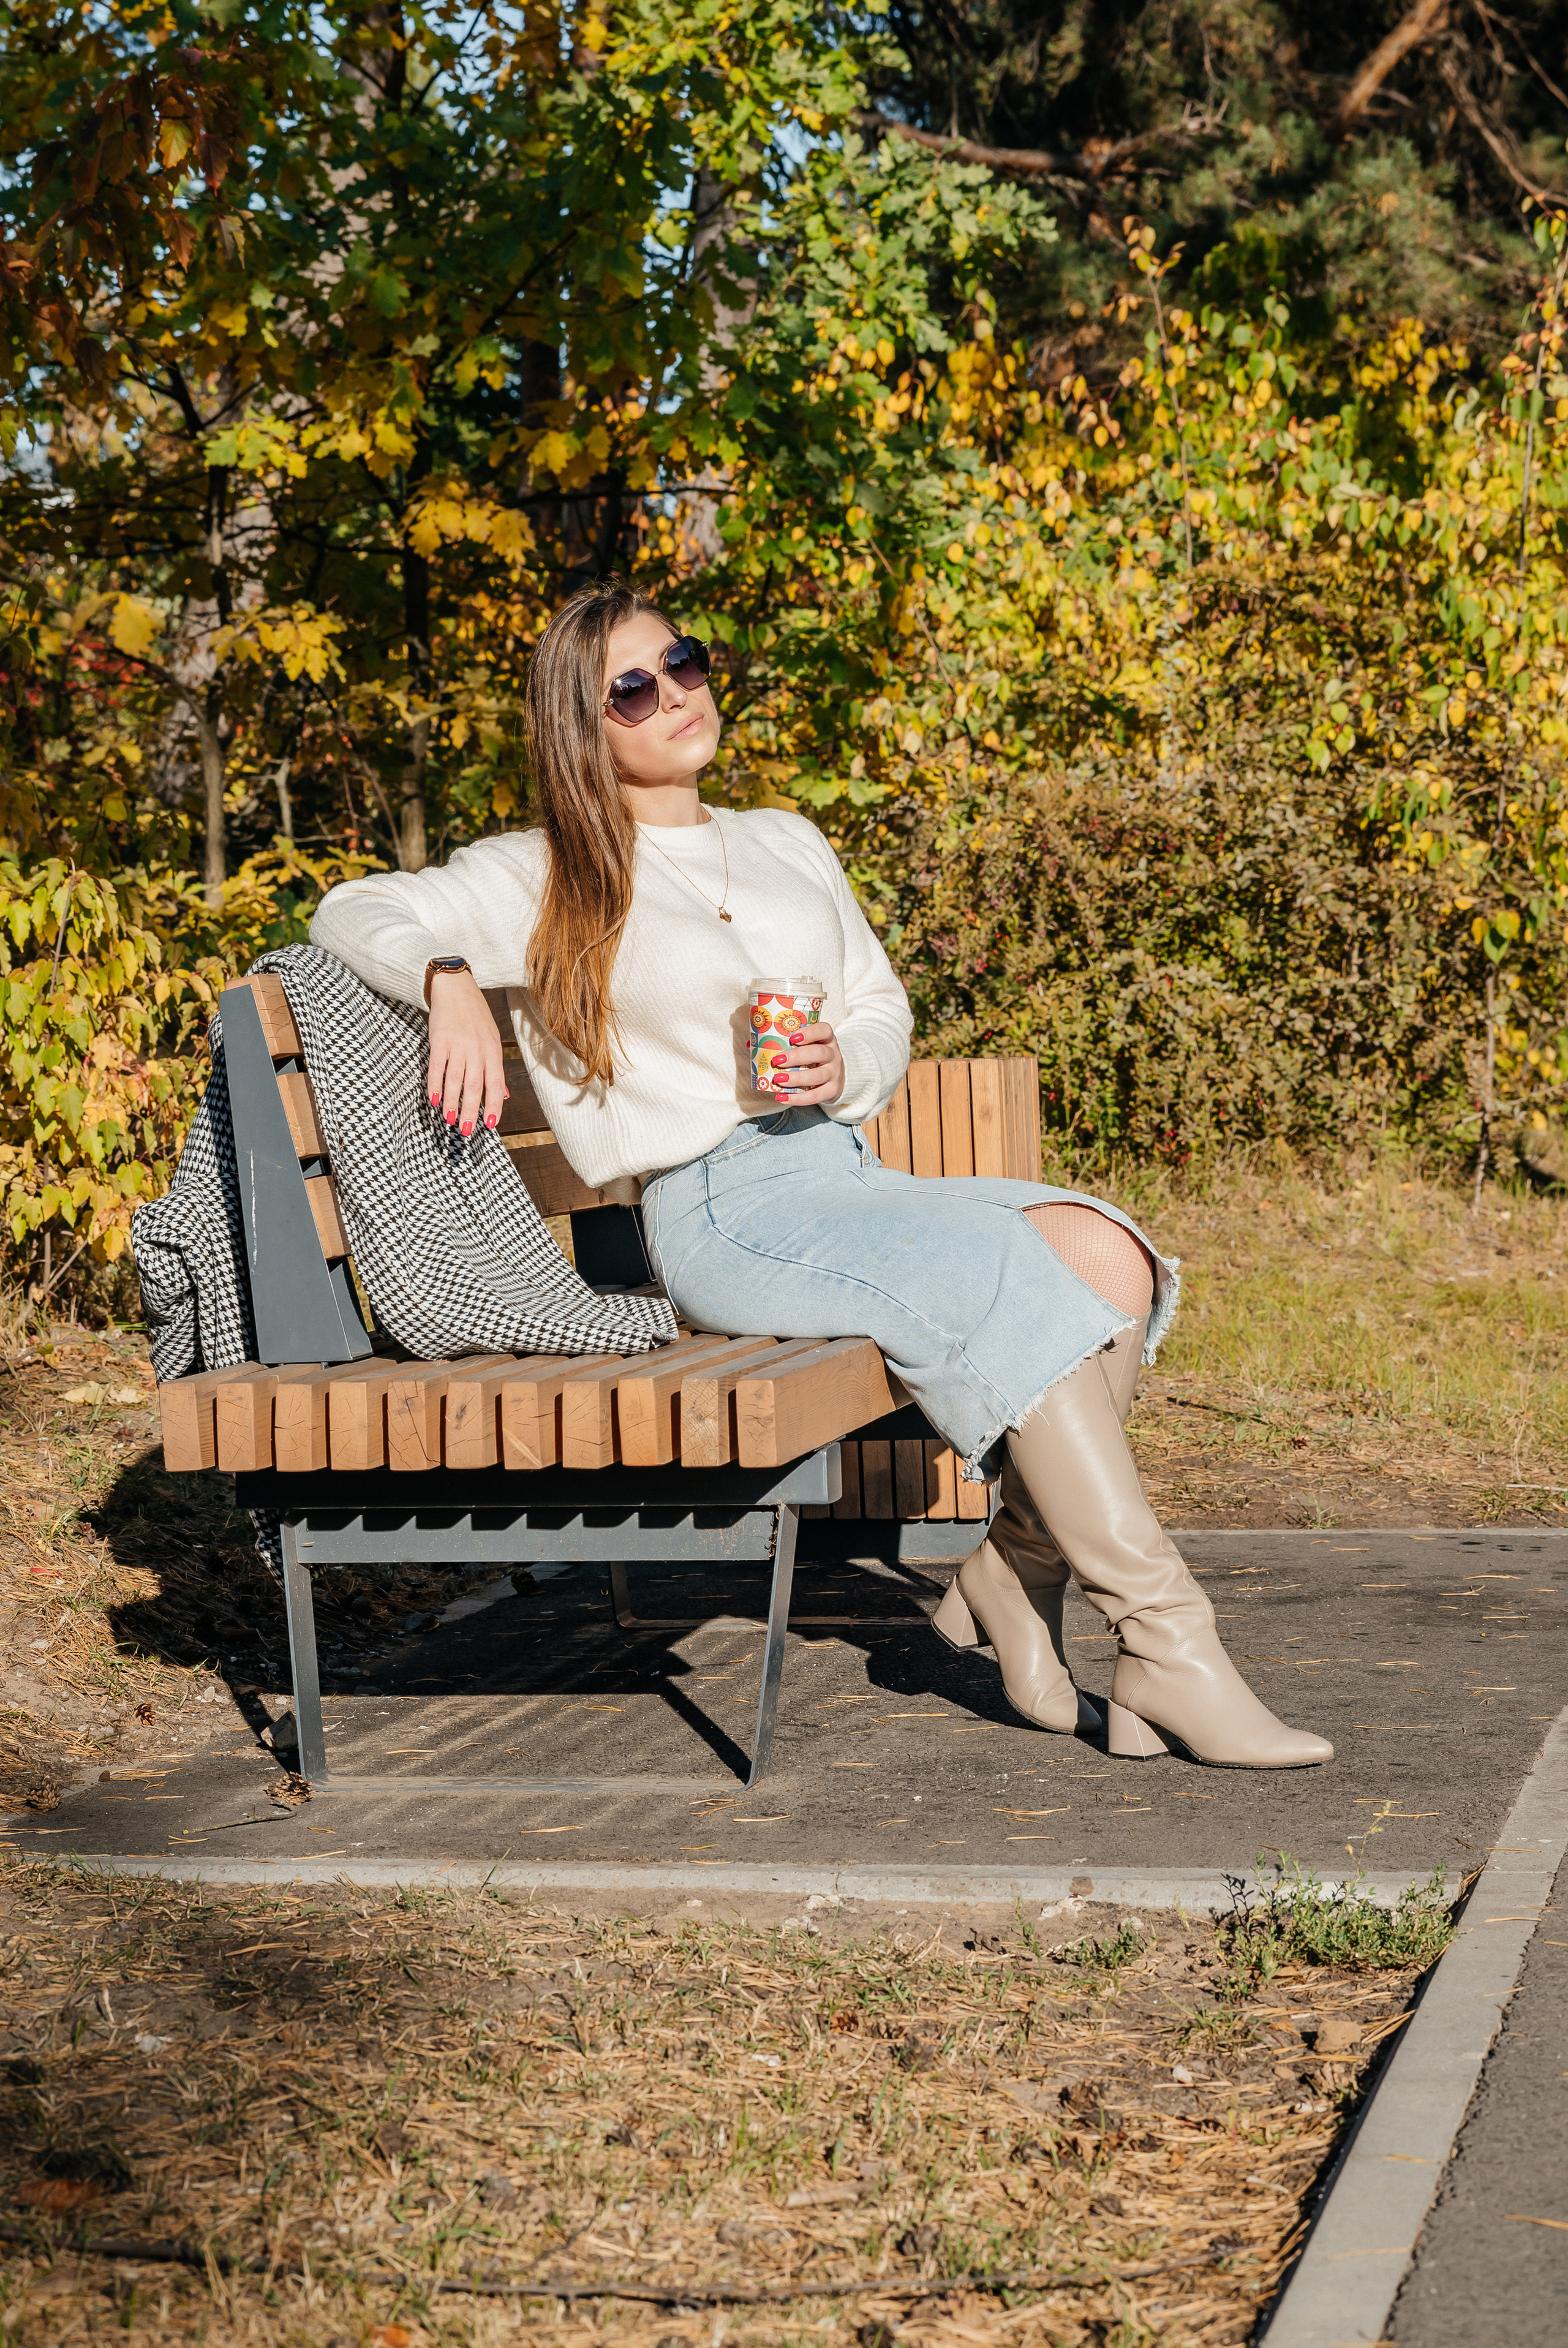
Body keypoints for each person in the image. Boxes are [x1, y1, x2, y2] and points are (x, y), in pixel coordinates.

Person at [310, 581, 1330, 1770]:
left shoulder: (786, 838)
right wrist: (444, 977)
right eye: (628, 690)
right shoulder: (546, 869)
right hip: (716, 1209)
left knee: (1106, 1250)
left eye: (680, 662)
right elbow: (350, 911)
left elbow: (877, 1007)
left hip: (839, 1171)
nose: (673, 695)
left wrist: (841, 1059)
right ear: (584, 731)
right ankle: (1168, 1642)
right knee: (1007, 1265)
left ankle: (1008, 1570)